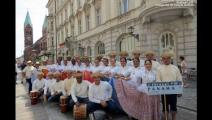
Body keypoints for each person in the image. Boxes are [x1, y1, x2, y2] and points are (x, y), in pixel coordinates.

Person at [156, 50, 182, 120]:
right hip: (164, 91)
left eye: (168, 58)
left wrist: (180, 91)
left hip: (173, 91)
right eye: (164, 58)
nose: (166, 60)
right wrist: (160, 88)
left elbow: (179, 79)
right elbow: (158, 79)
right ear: (162, 59)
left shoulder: (175, 68)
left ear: (170, 59)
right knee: (165, 107)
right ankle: (165, 118)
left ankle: (174, 118)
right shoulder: (159, 68)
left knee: (173, 107)